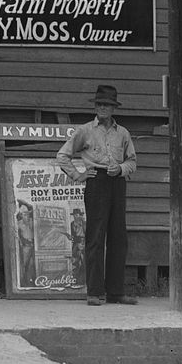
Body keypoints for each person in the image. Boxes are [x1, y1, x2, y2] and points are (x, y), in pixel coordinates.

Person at [56, 84, 138, 306]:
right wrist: (79, 175)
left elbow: (132, 162)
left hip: (117, 184)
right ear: (95, 106)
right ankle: (94, 291)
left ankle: (115, 292)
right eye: (99, 104)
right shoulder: (85, 131)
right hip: (97, 182)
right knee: (95, 236)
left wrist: (120, 169)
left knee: (118, 237)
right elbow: (62, 155)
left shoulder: (123, 133)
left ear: (113, 108)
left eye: (107, 105)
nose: (102, 108)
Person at [15, 200, 37, 287]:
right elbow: (17, 236)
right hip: (26, 246)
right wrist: (23, 242)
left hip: (34, 246)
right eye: (24, 214)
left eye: (27, 214)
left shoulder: (33, 221)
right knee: (24, 264)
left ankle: (31, 281)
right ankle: (23, 282)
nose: (26, 216)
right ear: (21, 215)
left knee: (32, 264)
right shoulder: (19, 224)